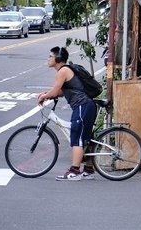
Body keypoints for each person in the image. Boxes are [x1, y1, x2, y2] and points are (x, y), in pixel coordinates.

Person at [35, 46, 99, 181]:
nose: (48, 59)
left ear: (58, 58)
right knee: (85, 138)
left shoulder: (63, 71)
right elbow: (60, 92)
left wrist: (44, 96)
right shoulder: (65, 70)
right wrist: (46, 94)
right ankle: (88, 169)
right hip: (85, 106)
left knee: (77, 138)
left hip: (83, 106)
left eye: (50, 56)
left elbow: (55, 91)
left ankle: (75, 171)